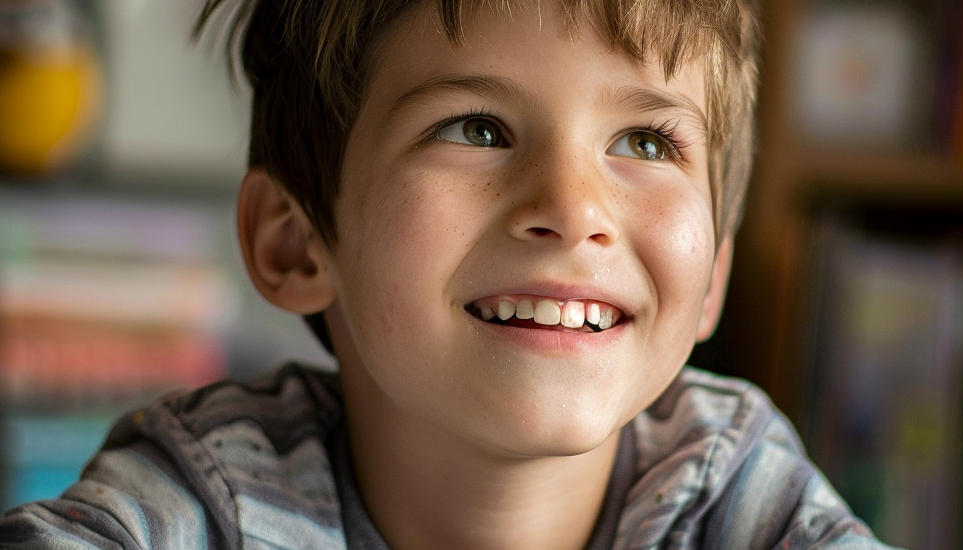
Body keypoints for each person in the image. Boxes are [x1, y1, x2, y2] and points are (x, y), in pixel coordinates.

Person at [0, 0, 900, 548]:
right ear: (295, 242)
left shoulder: (727, 479)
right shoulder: (217, 488)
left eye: (645, 141)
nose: (574, 207)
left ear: (710, 281)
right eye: (476, 127)